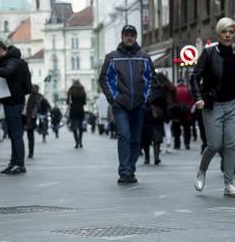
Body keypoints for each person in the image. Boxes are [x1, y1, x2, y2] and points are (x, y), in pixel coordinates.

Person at [190, 17, 235, 197]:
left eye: (231, 32)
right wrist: (198, 98)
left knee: (231, 144)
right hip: (213, 104)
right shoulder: (209, 53)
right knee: (215, 144)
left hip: (233, 104)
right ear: (219, 33)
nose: (227, 35)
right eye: (224, 32)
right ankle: (202, 170)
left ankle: (229, 184)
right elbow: (194, 77)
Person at [98, 24, 156, 184]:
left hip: (139, 105)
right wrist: (113, 97)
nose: (129, 37)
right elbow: (103, 78)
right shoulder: (112, 57)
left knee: (136, 139)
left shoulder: (144, 57)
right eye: (126, 34)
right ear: (122, 37)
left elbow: (152, 79)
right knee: (124, 135)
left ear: (135, 37)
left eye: (132, 34)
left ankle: (131, 169)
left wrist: (146, 98)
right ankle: (124, 171)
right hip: (120, 105)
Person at [0, 40, 31, 174]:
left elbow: (8, 71)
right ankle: (14, 162)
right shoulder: (13, 59)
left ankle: (19, 164)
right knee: (14, 135)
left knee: (16, 134)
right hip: (12, 101)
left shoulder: (12, 61)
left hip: (14, 102)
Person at [142, 75, 167, 164]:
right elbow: (165, 104)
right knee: (157, 139)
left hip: (146, 116)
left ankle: (147, 158)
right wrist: (166, 117)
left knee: (146, 139)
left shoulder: (144, 89)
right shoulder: (160, 90)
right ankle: (156, 157)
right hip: (158, 117)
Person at [173, 78, 194, 150]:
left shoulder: (175, 90)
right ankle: (187, 143)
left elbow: (172, 101)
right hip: (187, 113)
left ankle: (177, 144)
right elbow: (192, 101)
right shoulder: (188, 90)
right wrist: (188, 108)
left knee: (176, 130)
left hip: (177, 113)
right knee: (187, 130)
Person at [24, 85, 43, 158]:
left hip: (30, 117)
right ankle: (29, 151)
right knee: (29, 135)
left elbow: (37, 106)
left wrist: (33, 114)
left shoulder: (36, 96)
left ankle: (30, 151)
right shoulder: (30, 95)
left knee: (30, 135)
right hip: (24, 116)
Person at [67, 80, 87, 148]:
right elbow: (84, 102)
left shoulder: (71, 89)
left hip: (73, 110)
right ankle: (81, 142)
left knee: (74, 127)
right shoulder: (82, 89)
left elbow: (68, 101)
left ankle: (76, 142)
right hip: (81, 110)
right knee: (80, 127)